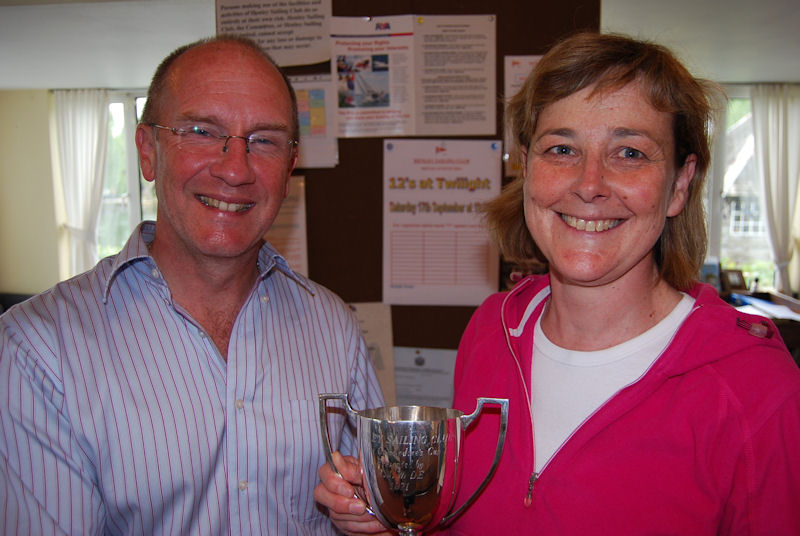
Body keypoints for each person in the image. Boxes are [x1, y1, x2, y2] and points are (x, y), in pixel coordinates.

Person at [314, 31, 800, 534]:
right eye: (562, 148)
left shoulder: (757, 392)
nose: (589, 184)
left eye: (630, 152)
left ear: (679, 184)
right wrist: (396, 519)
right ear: (526, 167)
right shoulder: (489, 332)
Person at [0, 35, 384, 535]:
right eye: (202, 131)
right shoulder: (38, 351)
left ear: (290, 167)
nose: (234, 168)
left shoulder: (333, 326)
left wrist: (373, 519)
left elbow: (376, 505)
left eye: (264, 140)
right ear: (147, 152)